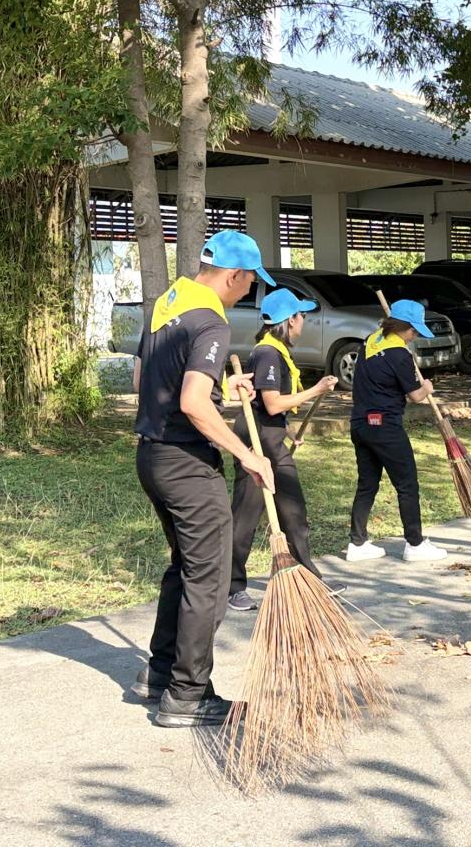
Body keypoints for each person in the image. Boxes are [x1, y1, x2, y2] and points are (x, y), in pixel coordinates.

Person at [128, 230, 276, 727]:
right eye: (250, 283)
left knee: (183, 570)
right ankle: (188, 695)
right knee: (208, 580)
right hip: (189, 467)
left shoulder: (167, 302)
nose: (248, 292)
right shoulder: (211, 320)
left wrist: (218, 383)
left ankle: (158, 674)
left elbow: (145, 378)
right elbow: (191, 404)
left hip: (152, 458)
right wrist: (247, 455)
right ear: (233, 275)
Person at [228, 288, 343, 612]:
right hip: (257, 440)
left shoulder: (276, 350)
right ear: (289, 320)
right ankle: (232, 587)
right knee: (246, 515)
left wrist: (287, 432)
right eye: (301, 316)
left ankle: (308, 578)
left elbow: (274, 409)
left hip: (272, 436)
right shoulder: (267, 353)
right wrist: (316, 390)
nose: (304, 321)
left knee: (293, 511)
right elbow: (272, 403)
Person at [345, 299, 447, 563]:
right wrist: (428, 388)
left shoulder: (371, 340)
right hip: (385, 427)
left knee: (367, 484)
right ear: (402, 326)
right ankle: (414, 544)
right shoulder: (399, 355)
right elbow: (415, 395)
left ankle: (357, 544)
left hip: (360, 424)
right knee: (407, 484)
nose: (414, 335)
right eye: (413, 330)